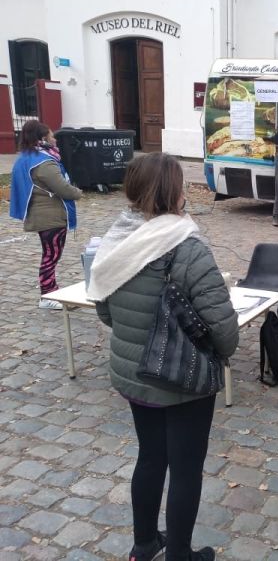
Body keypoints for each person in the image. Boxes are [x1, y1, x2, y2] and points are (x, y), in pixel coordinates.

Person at [87, 153, 239, 561]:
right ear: (175, 192)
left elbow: (104, 309)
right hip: (184, 378)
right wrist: (222, 355)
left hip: (136, 375)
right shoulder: (187, 247)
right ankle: (180, 555)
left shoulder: (116, 239)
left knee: (150, 457)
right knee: (185, 469)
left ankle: (144, 544)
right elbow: (224, 328)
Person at [10, 121, 82, 310]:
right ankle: (48, 295)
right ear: (42, 139)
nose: (55, 139)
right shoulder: (43, 162)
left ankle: (51, 290)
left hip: (40, 214)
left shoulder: (26, 158)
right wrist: (77, 193)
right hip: (50, 217)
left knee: (50, 255)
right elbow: (62, 188)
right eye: (51, 135)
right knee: (51, 256)